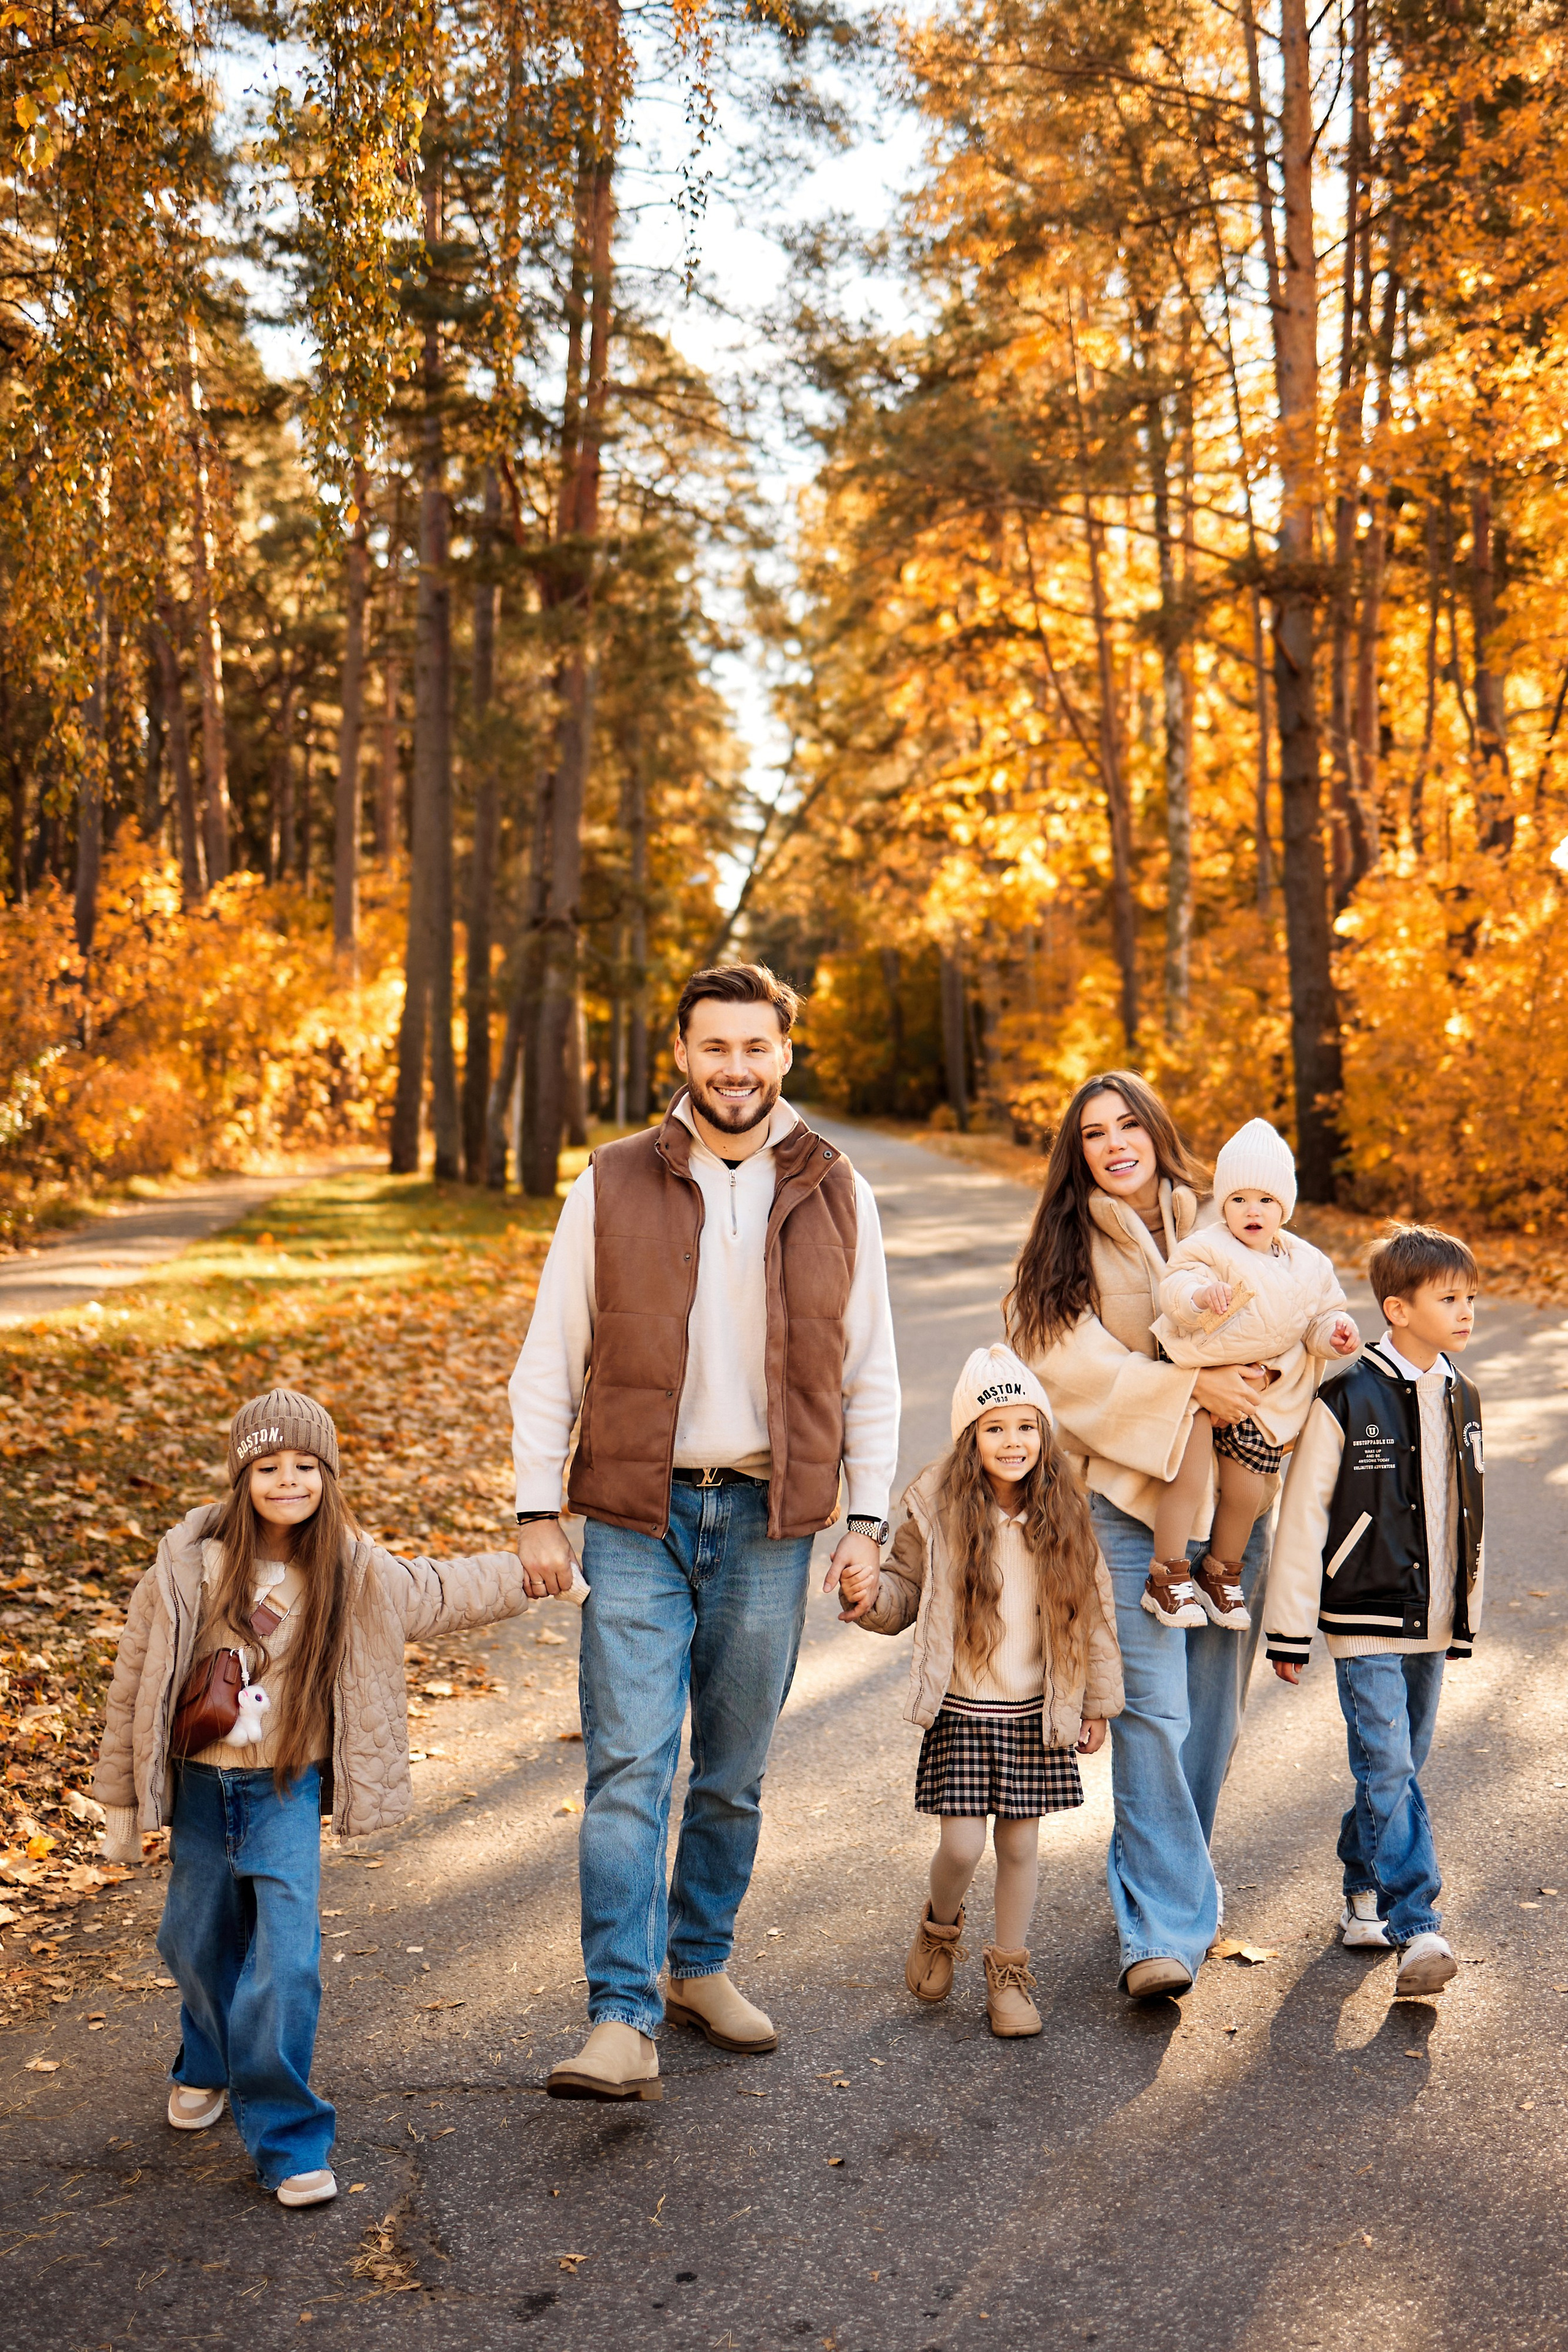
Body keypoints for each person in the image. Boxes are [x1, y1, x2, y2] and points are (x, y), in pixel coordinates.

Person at [509, 962, 900, 2102]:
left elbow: (869, 1373)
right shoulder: (615, 1181)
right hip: (638, 1512)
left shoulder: (837, 1190)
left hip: (774, 1520)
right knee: (631, 1767)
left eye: (757, 1048)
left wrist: (865, 1519)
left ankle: (699, 1966)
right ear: (680, 1053)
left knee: (732, 1772)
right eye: (714, 1047)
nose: (737, 1068)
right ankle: (620, 2017)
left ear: (786, 1054)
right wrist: (541, 1508)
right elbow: (553, 1355)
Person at [92, 1389, 540, 2206]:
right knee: (192, 1942)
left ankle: (290, 2140)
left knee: (286, 1964)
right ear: (242, 1476)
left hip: (284, 1789)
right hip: (200, 1786)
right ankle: (208, 2058)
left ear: (328, 1477)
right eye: (269, 1466)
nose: (288, 1480)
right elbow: (135, 1679)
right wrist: (122, 1801)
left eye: (306, 1466)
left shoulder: (352, 1569)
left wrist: (537, 1573)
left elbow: (445, 1590)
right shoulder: (188, 1563)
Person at [1005, 1071, 1273, 1998]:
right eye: (1093, 1134)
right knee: (1152, 1715)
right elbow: (1061, 1367)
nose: (1115, 1143)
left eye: (1128, 1125)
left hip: (1231, 1505)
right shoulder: (1062, 1248)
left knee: (1211, 1718)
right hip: (1126, 1507)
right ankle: (1159, 1929)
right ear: (1075, 1154)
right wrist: (1186, 1388)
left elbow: (1290, 1312)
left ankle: (1169, 1885)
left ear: (1157, 1132)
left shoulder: (1225, 1220)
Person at [837, 1344, 1121, 2037]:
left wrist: (1096, 1703)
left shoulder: (1064, 1512)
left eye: (1026, 1427)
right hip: (964, 1709)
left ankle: (1010, 1973)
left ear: (1043, 1436)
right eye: (995, 1428)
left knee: (1020, 1847)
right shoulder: (937, 1512)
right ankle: (940, 1928)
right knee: (963, 1847)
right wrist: (869, 1597)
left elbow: (1094, 1611)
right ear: (970, 1438)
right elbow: (903, 1592)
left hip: (1033, 1711)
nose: (1013, 1441)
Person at [1264, 1226, 1483, 1996]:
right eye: (1447, 1299)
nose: (1464, 1310)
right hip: (1361, 1614)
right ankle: (1415, 1924)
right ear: (1397, 1308)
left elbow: (1467, 1514)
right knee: (1388, 1762)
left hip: (1429, 1617)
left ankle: (1361, 1886)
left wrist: (1464, 1612)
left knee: (1400, 1764)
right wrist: (1289, 1629)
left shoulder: (1463, 1395)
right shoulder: (1347, 1397)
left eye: (1468, 1297)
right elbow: (1302, 1518)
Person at [1148, 1118, 1360, 1632]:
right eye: (1239, 1199)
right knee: (1189, 1476)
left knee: (1249, 1492)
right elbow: (1175, 1286)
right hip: (1198, 1375)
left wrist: (1335, 1331)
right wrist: (1199, 1297)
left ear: (1283, 1207)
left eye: (1265, 1200)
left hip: (1258, 1397)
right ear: (1223, 1204)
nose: (1252, 1211)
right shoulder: (1209, 1247)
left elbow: (1319, 1316)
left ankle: (1221, 1573)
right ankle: (1168, 1574)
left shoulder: (1307, 1262)